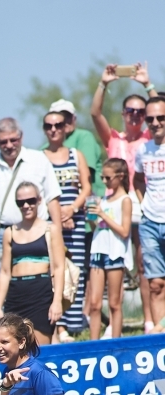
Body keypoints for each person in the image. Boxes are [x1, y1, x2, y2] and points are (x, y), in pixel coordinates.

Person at [91, 63, 159, 332]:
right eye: (130, 111)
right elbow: (95, 112)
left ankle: (148, 319)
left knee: (145, 263)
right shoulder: (114, 138)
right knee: (112, 259)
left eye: (140, 112)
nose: (135, 115)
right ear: (123, 113)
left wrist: (147, 84)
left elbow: (160, 112)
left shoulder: (148, 136)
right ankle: (106, 319)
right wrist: (104, 83)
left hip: (142, 201)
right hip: (115, 203)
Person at [0, 119, 62, 265]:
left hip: (38, 233)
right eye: (3, 142)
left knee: (40, 281)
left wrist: (58, 234)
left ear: (21, 137)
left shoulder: (39, 160)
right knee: (3, 284)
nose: (9, 145)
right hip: (3, 237)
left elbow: (52, 200)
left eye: (13, 140)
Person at [0, 182, 66, 345]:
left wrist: (57, 302)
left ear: (39, 200)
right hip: (16, 295)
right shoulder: (10, 232)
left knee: (39, 347)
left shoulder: (51, 230)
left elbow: (59, 267)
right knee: (14, 347)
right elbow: (5, 272)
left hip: (41, 293)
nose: (26, 205)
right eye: (21, 202)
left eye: (31, 201)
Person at [43, 111, 91, 341]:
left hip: (75, 222)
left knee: (76, 271)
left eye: (58, 125)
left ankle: (74, 321)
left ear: (65, 128)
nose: (53, 129)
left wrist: (71, 209)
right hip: (51, 223)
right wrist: (57, 216)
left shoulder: (76, 154)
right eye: (49, 125)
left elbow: (86, 187)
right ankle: (58, 324)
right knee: (54, 270)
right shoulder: (40, 157)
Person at [87, 160, 133, 340]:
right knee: (94, 303)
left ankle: (115, 343)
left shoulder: (125, 200)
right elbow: (97, 227)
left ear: (120, 177)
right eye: (102, 177)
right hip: (98, 250)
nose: (104, 181)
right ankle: (92, 344)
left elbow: (124, 231)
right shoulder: (104, 199)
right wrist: (91, 216)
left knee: (114, 303)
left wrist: (102, 214)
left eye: (108, 177)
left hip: (115, 253)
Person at [134, 95, 165, 332]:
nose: (155, 122)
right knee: (155, 283)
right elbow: (137, 180)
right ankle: (159, 338)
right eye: (150, 118)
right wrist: (144, 203)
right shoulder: (142, 150)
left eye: (161, 117)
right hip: (150, 222)